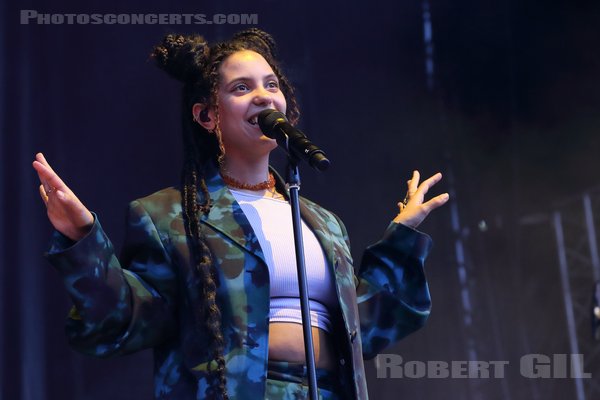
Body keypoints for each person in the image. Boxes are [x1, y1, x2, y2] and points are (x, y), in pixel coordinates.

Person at [32, 29, 449, 400]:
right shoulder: (170, 215)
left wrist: (401, 236)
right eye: (242, 88)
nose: (264, 96)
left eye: (271, 84)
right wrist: (83, 238)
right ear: (207, 116)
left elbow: (366, 329)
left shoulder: (322, 222)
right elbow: (122, 321)